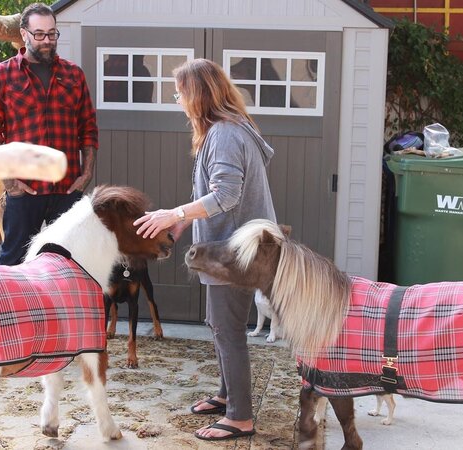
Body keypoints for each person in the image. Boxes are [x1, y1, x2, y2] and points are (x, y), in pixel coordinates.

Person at [134, 58, 276, 441]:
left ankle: (240, 417)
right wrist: (183, 221)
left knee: (227, 328)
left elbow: (227, 195)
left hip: (235, 252)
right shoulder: (229, 129)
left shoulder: (225, 133)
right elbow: (217, 192)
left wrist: (174, 212)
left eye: (180, 91)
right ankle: (228, 395)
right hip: (238, 245)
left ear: (197, 94)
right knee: (219, 325)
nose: (175, 97)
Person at [0, 2, 98, 265]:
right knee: (15, 262)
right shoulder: (2, 75)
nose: (47, 40)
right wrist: (8, 179)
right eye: (40, 34)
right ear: (24, 34)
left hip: (67, 189)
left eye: (52, 34)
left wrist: (87, 172)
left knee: (71, 263)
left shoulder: (74, 75)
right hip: (25, 188)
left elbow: (88, 127)